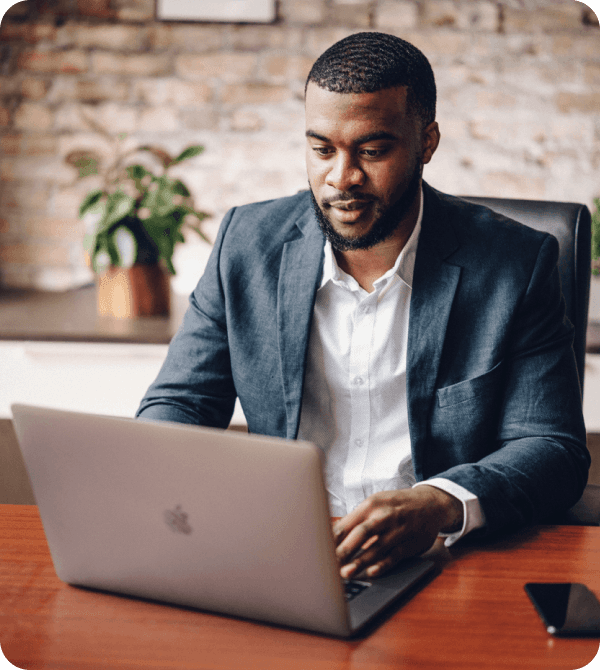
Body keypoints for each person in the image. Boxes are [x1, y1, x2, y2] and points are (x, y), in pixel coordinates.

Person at [137, 32, 589, 580]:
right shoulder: (246, 244)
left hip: (443, 562)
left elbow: (552, 447)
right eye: (322, 149)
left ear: (427, 142)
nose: (341, 178)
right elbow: (178, 404)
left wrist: (438, 503)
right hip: (285, 553)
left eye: (371, 151)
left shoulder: (515, 263)